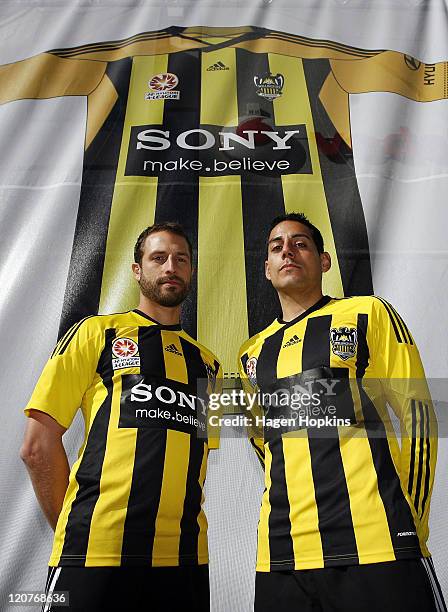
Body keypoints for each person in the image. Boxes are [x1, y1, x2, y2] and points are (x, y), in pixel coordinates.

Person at [238, 212, 446, 612]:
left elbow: (418, 415)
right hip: (283, 555)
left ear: (324, 260)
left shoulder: (369, 314)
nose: (288, 251)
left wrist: (409, 516)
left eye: (300, 243)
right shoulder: (250, 353)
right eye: (276, 246)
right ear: (266, 269)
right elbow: (262, 441)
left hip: (377, 543)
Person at [20, 222, 221, 612]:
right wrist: (78, 530)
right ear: (136, 269)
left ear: (191, 271)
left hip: (183, 560)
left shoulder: (208, 363)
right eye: (158, 257)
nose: (170, 267)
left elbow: (197, 461)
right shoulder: (96, 333)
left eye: (181, 259)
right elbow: (36, 446)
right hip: (96, 553)